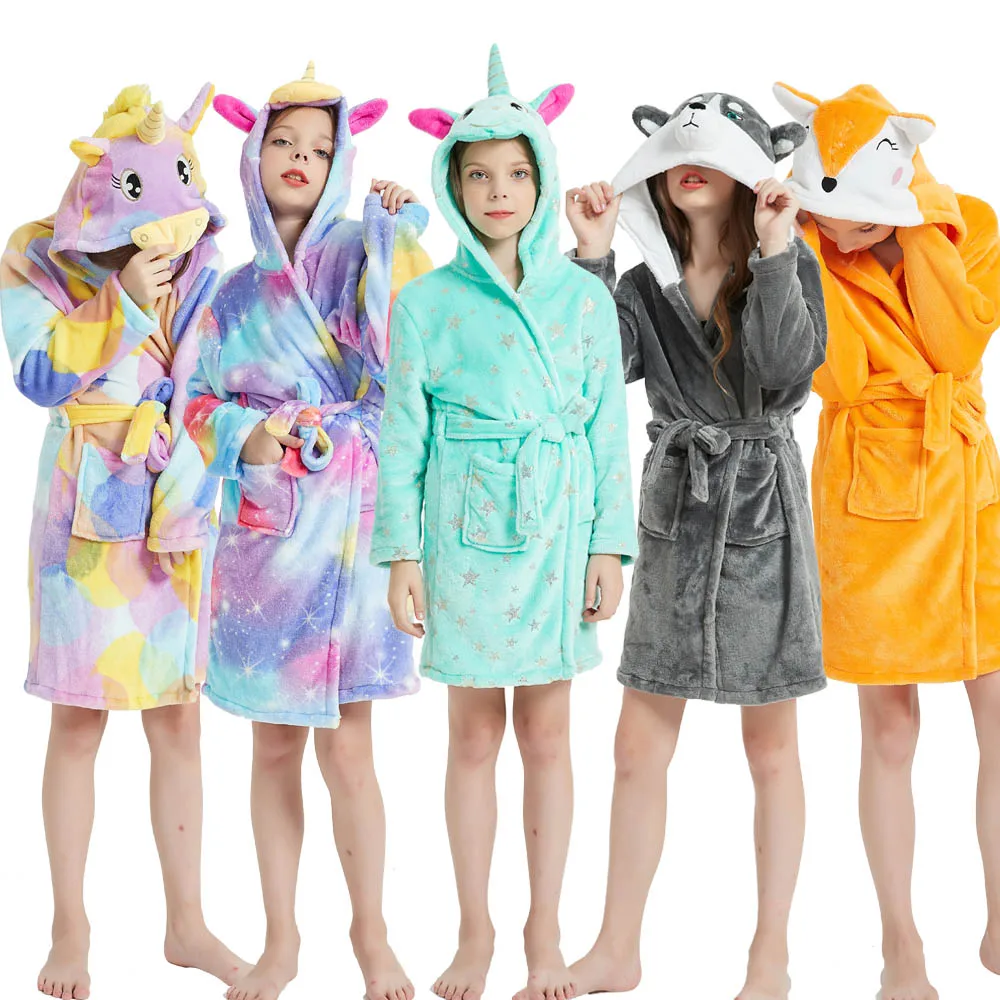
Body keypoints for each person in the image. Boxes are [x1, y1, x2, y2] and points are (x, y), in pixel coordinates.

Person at [372, 45, 636, 1000]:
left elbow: (609, 429)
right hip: (464, 535)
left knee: (550, 739)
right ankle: (474, 931)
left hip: (558, 526)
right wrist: (401, 554)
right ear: (452, 185)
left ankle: (545, 932)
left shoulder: (583, 297)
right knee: (473, 738)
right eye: (477, 175)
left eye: (517, 173)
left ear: (543, 179)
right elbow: (402, 437)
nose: (498, 192)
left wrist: (610, 544)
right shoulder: (425, 303)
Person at [565, 91, 827, 1000]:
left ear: (749, 172)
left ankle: (771, 955)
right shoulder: (644, 286)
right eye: (681, 150)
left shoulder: (789, 264)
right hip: (677, 510)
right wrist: (593, 259)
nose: (692, 164)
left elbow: (789, 373)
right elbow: (590, 371)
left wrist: (779, 248)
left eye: (716, 152)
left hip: (764, 508)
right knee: (637, 747)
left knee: (772, 748)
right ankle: (616, 947)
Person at [185, 63, 431, 1000]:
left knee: (352, 747)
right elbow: (192, 403)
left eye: (321, 149)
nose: (300, 158)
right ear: (252, 156)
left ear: (342, 164)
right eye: (282, 142)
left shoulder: (361, 251)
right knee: (275, 744)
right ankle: (281, 940)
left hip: (355, 526)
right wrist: (248, 437)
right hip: (266, 537)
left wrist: (397, 232)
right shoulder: (228, 292)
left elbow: (404, 357)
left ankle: (373, 936)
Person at [0, 83, 246, 999]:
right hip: (82, 513)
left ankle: (187, 924)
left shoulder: (203, 269)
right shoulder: (35, 259)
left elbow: (218, 380)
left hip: (175, 498)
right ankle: (69, 925)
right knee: (77, 718)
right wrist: (121, 302)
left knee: (178, 716)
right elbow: (37, 375)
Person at [774, 80, 1000, 1000]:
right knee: (892, 726)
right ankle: (900, 946)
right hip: (869, 493)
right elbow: (839, 378)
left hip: (968, 489)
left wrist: (914, 231)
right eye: (827, 206)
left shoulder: (972, 226)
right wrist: (805, 251)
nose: (843, 226)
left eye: (860, 209)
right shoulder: (803, 249)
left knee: (998, 711)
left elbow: (958, 347)